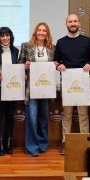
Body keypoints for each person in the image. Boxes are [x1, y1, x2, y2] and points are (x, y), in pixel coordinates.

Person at [54, 13, 90, 155]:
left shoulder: (87, 41)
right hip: (67, 82)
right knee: (67, 114)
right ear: (66, 24)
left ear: (79, 24)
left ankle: (85, 142)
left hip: (82, 82)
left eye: (75, 21)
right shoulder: (60, 42)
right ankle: (66, 142)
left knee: (83, 114)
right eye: (70, 21)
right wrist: (58, 66)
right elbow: (56, 61)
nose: (73, 24)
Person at [18, 22, 55, 157]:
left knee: (43, 118)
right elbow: (19, 65)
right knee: (31, 118)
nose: (41, 32)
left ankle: (43, 144)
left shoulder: (52, 48)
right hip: (31, 89)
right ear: (35, 32)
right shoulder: (26, 46)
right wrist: (25, 66)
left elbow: (56, 64)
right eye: (39, 30)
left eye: (44, 30)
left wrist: (56, 64)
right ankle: (32, 147)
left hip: (46, 88)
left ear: (47, 33)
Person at [0, 27, 20, 155]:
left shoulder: (16, 50)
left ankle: (8, 142)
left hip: (12, 89)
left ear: (10, 36)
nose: (5, 38)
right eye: (2, 36)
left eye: (7, 35)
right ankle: (0, 142)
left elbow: (17, 68)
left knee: (10, 116)